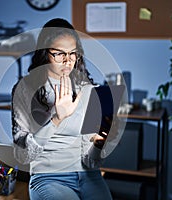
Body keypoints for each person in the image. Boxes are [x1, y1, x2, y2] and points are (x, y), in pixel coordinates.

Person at [11, 18, 113, 200]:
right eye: (59, 53)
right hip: (48, 178)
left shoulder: (86, 87)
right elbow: (23, 156)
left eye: (73, 53)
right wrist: (57, 120)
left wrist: (98, 144)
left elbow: (91, 161)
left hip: (88, 175)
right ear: (44, 53)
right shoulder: (25, 88)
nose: (68, 61)